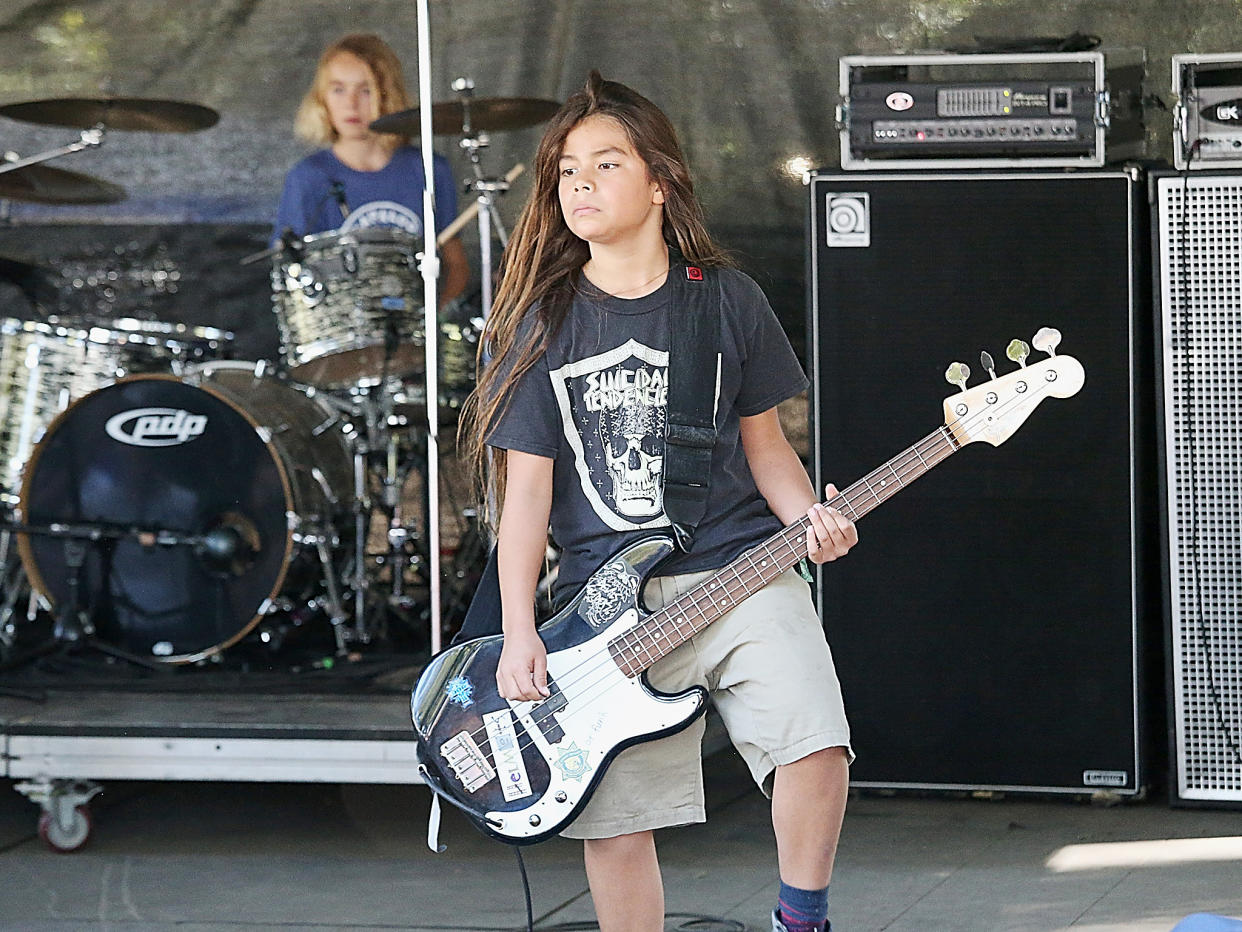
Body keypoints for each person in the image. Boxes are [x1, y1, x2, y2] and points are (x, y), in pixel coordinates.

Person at [459, 71, 855, 932]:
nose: (582, 185)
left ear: (660, 180)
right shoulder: (541, 322)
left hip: (741, 570)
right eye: (567, 171)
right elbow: (524, 495)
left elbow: (768, 447)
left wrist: (808, 521)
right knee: (620, 829)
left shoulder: (729, 300)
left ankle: (803, 917)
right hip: (604, 612)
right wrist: (520, 630)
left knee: (817, 746)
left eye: (606, 164)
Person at [273, 33, 469, 305]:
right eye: (338, 89)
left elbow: (456, 265)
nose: (351, 104)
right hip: (342, 331)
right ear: (321, 99)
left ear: (388, 95)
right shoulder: (308, 177)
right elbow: (289, 272)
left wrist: (434, 321)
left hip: (418, 332)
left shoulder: (429, 169)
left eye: (365, 90)